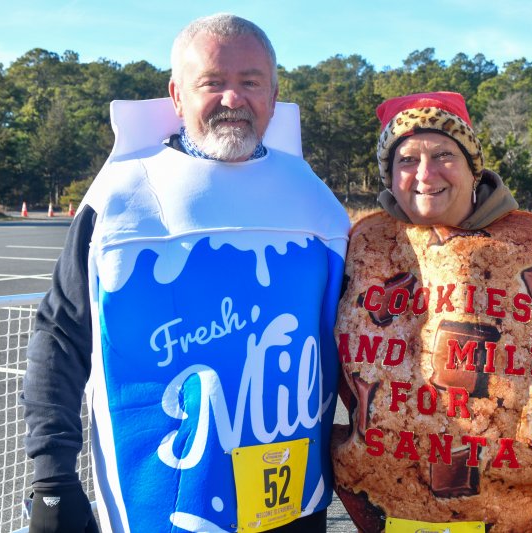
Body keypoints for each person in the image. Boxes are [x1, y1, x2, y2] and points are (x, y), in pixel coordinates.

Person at [21, 13, 349, 533]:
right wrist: (51, 477)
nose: (232, 99)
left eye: (250, 82)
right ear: (177, 95)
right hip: (161, 505)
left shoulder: (316, 201)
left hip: (292, 501)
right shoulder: (123, 197)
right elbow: (59, 338)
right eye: (212, 82)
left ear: (274, 93)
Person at [330, 92, 532, 533]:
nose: (425, 174)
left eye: (444, 154)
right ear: (389, 174)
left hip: (512, 515)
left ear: (472, 168)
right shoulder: (363, 252)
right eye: (407, 159)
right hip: (392, 513)